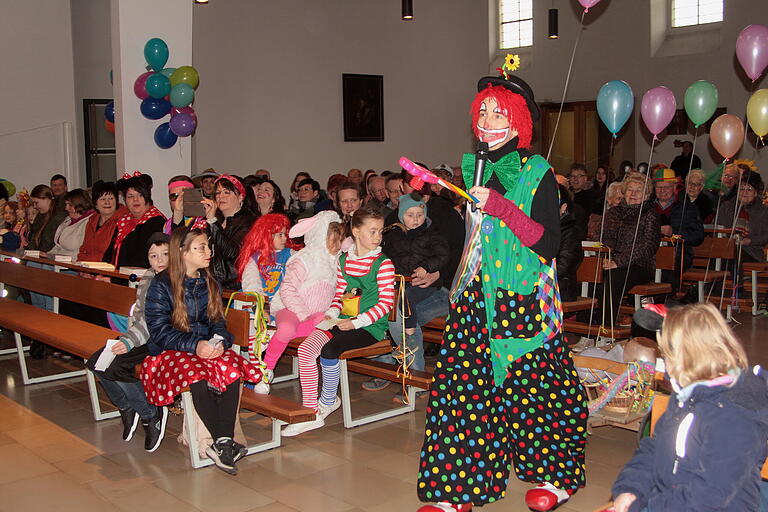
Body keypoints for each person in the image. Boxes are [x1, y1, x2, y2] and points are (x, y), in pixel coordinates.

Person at [417, 73, 587, 512]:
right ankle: (456, 491)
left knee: (535, 391)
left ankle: (554, 477)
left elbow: (547, 243)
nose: (488, 120)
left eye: (499, 113)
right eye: (484, 112)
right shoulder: (474, 168)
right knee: (462, 392)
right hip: (476, 297)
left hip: (521, 297)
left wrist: (502, 207)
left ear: (519, 123)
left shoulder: (539, 172)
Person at [611, 302, 768, 512]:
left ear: (688, 358)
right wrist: (631, 489)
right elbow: (654, 450)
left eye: (667, 356)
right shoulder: (688, 396)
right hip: (673, 500)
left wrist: (651, 506)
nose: (664, 364)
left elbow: (710, 495)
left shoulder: (734, 415)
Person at [142, 226, 262, 475]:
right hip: (172, 349)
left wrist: (219, 342)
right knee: (196, 376)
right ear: (183, 253)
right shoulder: (161, 285)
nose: (209, 252)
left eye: (208, 246)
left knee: (231, 369)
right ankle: (224, 442)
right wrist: (195, 345)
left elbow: (218, 321)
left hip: (206, 346)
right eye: (201, 247)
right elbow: (159, 331)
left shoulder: (209, 281)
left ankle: (221, 444)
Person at [281, 206, 395, 437]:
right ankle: (310, 410)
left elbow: (385, 305)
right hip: (343, 321)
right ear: (355, 231)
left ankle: (327, 401)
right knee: (305, 350)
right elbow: (340, 296)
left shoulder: (383, 264)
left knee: (329, 350)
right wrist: (332, 314)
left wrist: (355, 322)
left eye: (380, 232)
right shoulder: (344, 261)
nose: (378, 237)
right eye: (372, 231)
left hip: (370, 327)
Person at [86, 233, 170, 452]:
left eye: (165, 254)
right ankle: (126, 407)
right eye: (153, 256)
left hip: (164, 339)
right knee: (97, 362)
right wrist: (128, 337)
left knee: (117, 366)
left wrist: (130, 341)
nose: (159, 260)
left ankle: (150, 413)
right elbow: (140, 314)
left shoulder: (175, 279)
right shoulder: (149, 276)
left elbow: (157, 321)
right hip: (142, 335)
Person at [245, 212, 344, 394]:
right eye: (279, 235)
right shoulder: (301, 258)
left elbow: (339, 289)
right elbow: (281, 289)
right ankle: (263, 371)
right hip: (286, 307)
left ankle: (271, 343)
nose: (338, 246)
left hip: (312, 314)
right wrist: (302, 314)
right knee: (281, 330)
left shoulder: (332, 261)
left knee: (324, 323)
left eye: (340, 241)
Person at [366, 193, 448, 396]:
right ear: (402, 216)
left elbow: (443, 255)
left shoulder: (432, 233)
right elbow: (387, 256)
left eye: (419, 214)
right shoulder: (394, 235)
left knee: (402, 311)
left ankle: (408, 346)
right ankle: (408, 374)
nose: (416, 219)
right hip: (402, 283)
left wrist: (426, 267)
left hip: (427, 287)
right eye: (410, 215)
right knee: (391, 309)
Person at [601, 172, 660, 326]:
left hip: (639, 265)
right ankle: (590, 327)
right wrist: (607, 257)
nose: (633, 194)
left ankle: (607, 329)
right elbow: (606, 238)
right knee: (592, 277)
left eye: (638, 190)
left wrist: (618, 262)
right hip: (614, 262)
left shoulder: (650, 215)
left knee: (613, 279)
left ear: (646, 194)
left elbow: (647, 246)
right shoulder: (614, 212)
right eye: (630, 190)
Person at [652, 167, 703, 293]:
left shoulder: (688, 208)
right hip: (651, 253)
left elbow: (698, 236)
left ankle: (663, 302)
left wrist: (673, 232)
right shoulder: (648, 207)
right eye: (659, 187)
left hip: (679, 254)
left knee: (668, 268)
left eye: (667, 187)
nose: (662, 191)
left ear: (675, 187)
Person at [201, 174, 257, 290]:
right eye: (218, 192)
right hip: (210, 285)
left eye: (227, 192)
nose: (221, 196)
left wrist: (212, 222)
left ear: (241, 197)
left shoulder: (249, 222)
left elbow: (232, 253)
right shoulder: (215, 220)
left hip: (232, 289)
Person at [104, 172, 166, 269]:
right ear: (125, 200)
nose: (135, 200)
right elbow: (109, 253)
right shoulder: (123, 221)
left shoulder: (156, 222)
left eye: (140, 195)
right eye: (130, 196)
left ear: (147, 197)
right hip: (116, 276)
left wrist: (113, 279)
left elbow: (143, 261)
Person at [720, 170, 768, 263]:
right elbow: (718, 227)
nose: (744, 192)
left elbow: (766, 236)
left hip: (751, 252)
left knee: (733, 257)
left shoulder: (763, 211)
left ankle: (735, 277)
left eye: (749, 189)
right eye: (742, 189)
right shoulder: (726, 206)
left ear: (755, 193)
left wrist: (750, 241)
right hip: (725, 248)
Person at [78, 181, 126, 263]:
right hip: (87, 268)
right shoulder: (92, 221)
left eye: (111, 198)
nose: (107, 202)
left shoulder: (123, 221)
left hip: (106, 270)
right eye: (102, 199)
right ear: (95, 203)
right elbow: (84, 249)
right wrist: (82, 267)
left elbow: (114, 255)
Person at [46, 188, 95, 260]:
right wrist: (47, 255)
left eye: (70, 205)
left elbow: (81, 252)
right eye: (66, 204)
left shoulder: (90, 222)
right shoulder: (68, 220)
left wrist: (55, 257)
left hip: (74, 264)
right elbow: (58, 246)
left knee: (44, 266)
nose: (66, 208)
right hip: (61, 261)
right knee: (34, 263)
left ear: (80, 204)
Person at [557, 185, 584, 302]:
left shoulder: (571, 231)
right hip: (546, 283)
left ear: (563, 207)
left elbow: (563, 266)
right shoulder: (544, 228)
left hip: (562, 287)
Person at [568, 162, 596, 232]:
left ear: (585, 178)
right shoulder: (567, 195)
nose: (575, 179)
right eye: (572, 176)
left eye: (579, 176)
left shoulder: (591, 196)